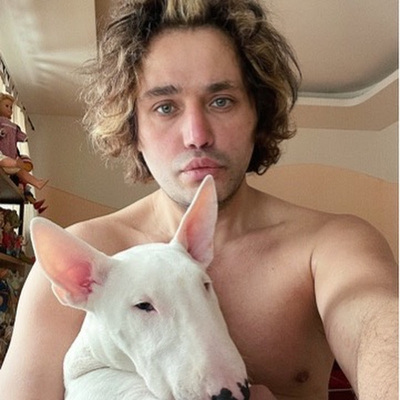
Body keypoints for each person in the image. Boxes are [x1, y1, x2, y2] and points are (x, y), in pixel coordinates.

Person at [0, 1, 397, 399]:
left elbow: (381, 327)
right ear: (132, 127)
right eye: (165, 107)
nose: (197, 135)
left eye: (221, 100)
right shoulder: (77, 257)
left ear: (257, 114)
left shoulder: (333, 245)